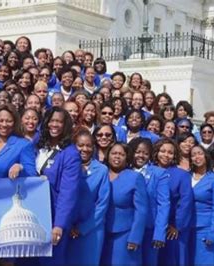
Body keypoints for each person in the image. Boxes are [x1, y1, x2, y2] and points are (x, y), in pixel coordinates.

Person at [36, 107, 81, 265]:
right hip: (32, 216)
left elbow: (68, 193)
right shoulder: (36, 146)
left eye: (59, 122)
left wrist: (59, 225)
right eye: (51, 120)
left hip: (53, 218)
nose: (54, 125)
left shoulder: (70, 154)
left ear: (65, 125)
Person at [67, 129, 110, 265]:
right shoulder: (66, 166)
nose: (84, 149)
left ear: (93, 148)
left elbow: (102, 204)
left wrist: (83, 228)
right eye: (80, 145)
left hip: (92, 230)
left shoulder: (102, 170)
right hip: (68, 228)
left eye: (88, 145)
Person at [101, 142, 148, 265]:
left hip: (124, 234)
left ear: (127, 157)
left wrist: (135, 237)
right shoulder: (101, 174)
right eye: (114, 153)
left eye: (121, 154)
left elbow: (141, 210)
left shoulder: (135, 177)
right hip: (100, 232)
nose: (117, 156)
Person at [128, 138, 170, 266]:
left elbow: (164, 204)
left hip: (149, 229)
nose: (141, 156)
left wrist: (159, 233)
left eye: (145, 153)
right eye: (138, 152)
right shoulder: (123, 170)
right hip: (126, 228)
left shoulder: (159, 173)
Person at [155, 138, 193, 266]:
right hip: (150, 225)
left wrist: (177, 225)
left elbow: (186, 202)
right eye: (163, 151)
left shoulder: (182, 175)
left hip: (171, 227)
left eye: (170, 152)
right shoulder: (148, 170)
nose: (166, 155)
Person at [189, 145, 214, 265]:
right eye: (193, 155)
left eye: (199, 153)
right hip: (186, 228)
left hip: (205, 229)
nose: (196, 157)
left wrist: (213, 233)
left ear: (206, 156)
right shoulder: (186, 176)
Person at [0, 104, 37, 179]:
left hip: (9, 190)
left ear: (14, 123)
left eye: (9, 121)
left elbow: (31, 174)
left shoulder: (23, 145)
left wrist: (20, 167)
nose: (4, 125)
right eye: (0, 121)